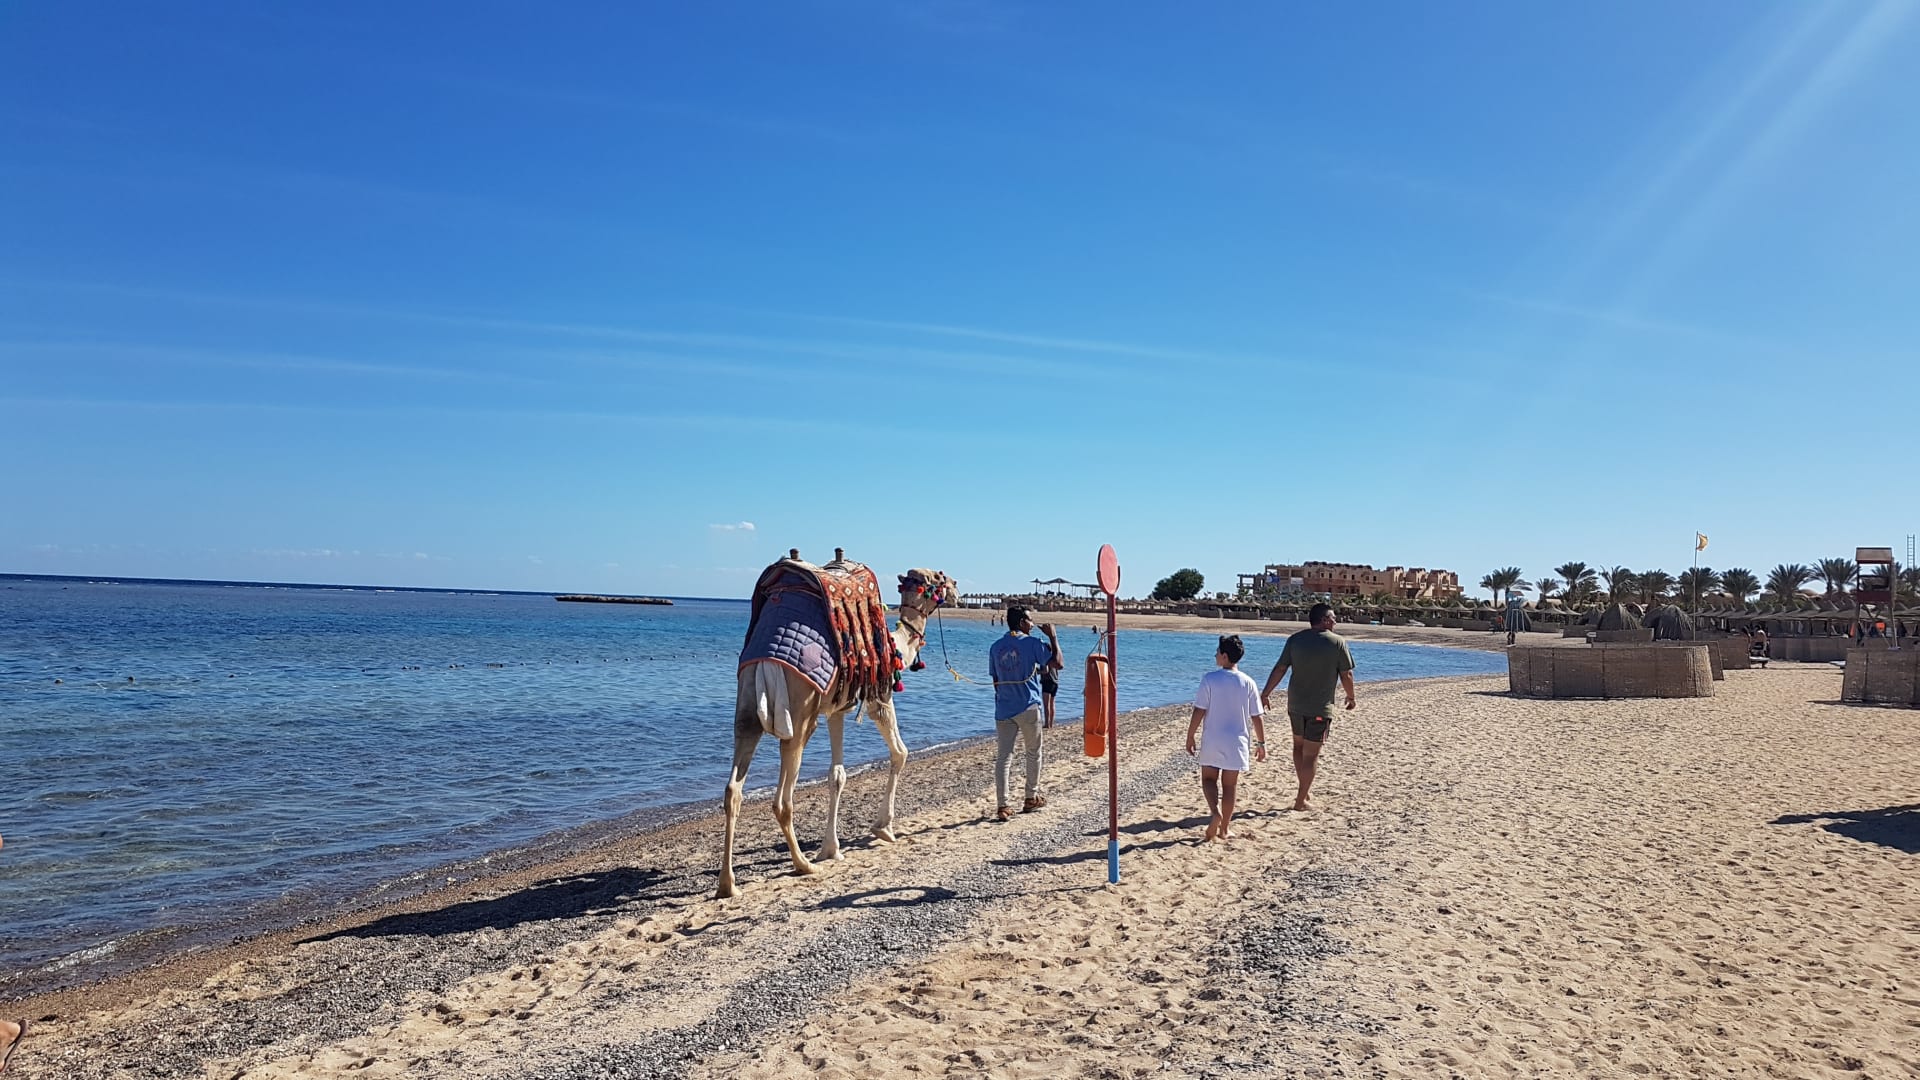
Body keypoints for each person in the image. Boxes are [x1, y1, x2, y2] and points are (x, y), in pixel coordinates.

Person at [1260, 603, 1356, 811]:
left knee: (1298, 747)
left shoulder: (1295, 640)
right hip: (1320, 708)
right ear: (1324, 620)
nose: (1335, 621)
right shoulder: (1338, 642)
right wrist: (1351, 697)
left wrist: (1266, 693)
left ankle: (1304, 789)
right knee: (1311, 755)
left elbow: (1280, 668)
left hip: (1295, 704)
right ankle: (1301, 800)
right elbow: (1346, 674)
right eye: (1333, 618)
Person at [1186, 635, 1267, 841]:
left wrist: (1190, 735)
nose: (1215, 655)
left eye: (1217, 652)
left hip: (1213, 739)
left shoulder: (1210, 679)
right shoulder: (1248, 682)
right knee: (1230, 786)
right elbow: (1257, 716)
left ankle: (1215, 812)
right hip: (1236, 741)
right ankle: (1224, 829)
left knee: (1208, 779)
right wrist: (1261, 743)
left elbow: (1199, 710)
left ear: (1224, 656)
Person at [989, 606, 1062, 820]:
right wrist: (1053, 637)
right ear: (1021, 622)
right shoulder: (1032, 643)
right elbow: (1058, 663)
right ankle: (1031, 797)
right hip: (1028, 707)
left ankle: (1003, 805)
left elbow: (996, 681)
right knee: (1033, 752)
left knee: (1004, 757)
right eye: (1030, 620)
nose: (1032, 623)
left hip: (1004, 708)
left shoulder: (996, 647)